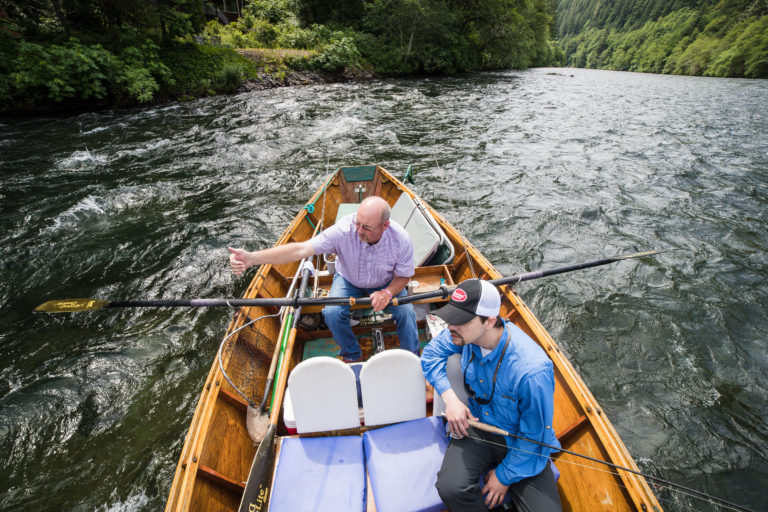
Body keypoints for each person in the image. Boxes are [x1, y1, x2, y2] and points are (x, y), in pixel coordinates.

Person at [421, 278, 562, 512]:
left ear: (489, 321)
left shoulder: (532, 371)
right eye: (450, 317)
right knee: (450, 488)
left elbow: (534, 435)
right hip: (479, 426)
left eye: (461, 320)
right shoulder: (462, 335)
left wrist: (503, 477)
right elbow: (430, 356)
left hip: (523, 443)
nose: (450, 327)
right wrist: (451, 399)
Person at [228, 195, 419, 362]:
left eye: (367, 227)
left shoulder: (401, 239)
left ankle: (411, 357)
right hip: (348, 280)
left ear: (385, 225)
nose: (359, 230)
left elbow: (404, 276)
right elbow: (300, 250)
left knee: (407, 313)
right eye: (357, 223)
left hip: (385, 283)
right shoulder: (343, 231)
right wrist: (252, 258)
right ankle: (352, 354)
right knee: (332, 313)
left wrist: (387, 293)